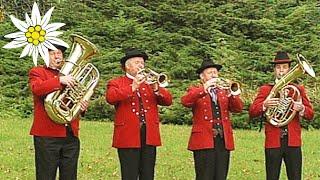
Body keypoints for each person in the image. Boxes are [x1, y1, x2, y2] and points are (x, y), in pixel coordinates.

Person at [105, 48, 173, 180]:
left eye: (142, 63)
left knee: (148, 173)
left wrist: (157, 88)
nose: (141, 66)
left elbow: (168, 101)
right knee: (129, 174)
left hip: (149, 134)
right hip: (128, 134)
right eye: (137, 63)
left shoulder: (150, 83)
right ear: (127, 66)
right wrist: (132, 86)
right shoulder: (116, 82)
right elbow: (111, 97)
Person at [249, 51, 314, 180]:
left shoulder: (298, 89)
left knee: (295, 176)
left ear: (289, 69)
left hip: (293, 141)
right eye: (278, 68)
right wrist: (265, 104)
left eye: (284, 67)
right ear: (274, 70)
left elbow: (310, 114)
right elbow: (252, 112)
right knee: (272, 176)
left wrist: (301, 108)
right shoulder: (266, 90)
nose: (281, 71)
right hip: (273, 141)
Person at [29, 44, 89, 180]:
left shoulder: (72, 75)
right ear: (44, 56)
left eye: (60, 53)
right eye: (53, 53)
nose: (58, 56)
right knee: (46, 175)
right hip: (47, 135)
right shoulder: (38, 72)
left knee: (70, 175)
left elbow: (73, 99)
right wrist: (59, 80)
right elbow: (36, 89)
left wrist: (81, 106)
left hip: (70, 134)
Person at [181, 58, 244, 180]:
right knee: (204, 175)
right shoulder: (195, 90)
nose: (214, 75)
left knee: (221, 175)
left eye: (215, 72)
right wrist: (204, 88)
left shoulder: (223, 92)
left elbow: (238, 109)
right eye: (210, 73)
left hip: (223, 140)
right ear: (202, 77)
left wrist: (232, 95)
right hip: (204, 140)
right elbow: (185, 101)